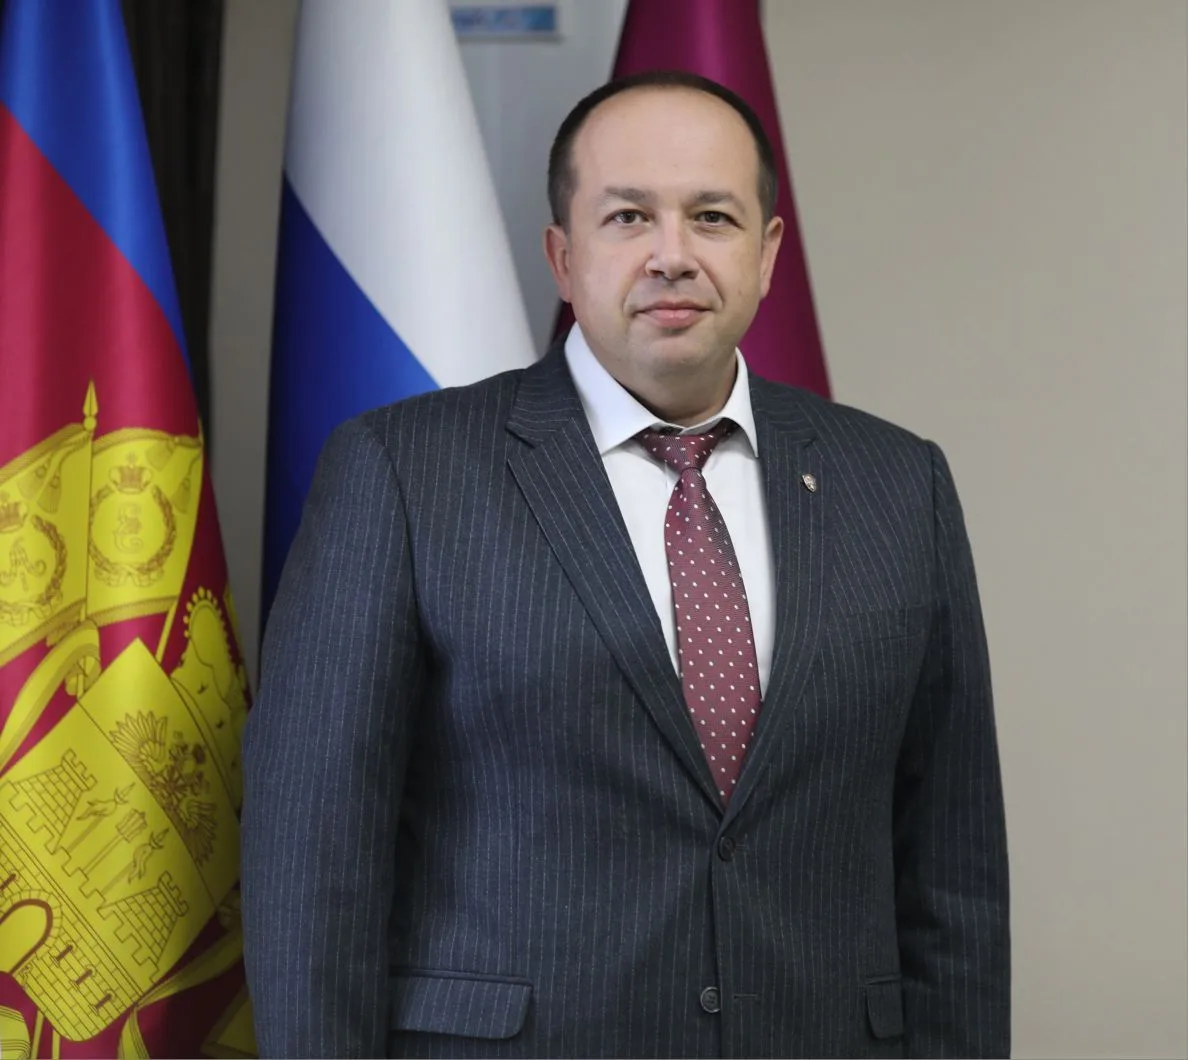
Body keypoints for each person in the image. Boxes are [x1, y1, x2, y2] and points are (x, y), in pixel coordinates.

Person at [241, 70, 1010, 1059]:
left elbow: (954, 872)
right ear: (564, 257)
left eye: (713, 217)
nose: (672, 254)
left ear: (768, 254)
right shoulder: (402, 472)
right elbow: (313, 861)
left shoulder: (900, 484)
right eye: (628, 216)